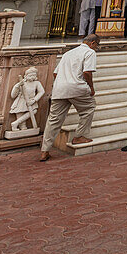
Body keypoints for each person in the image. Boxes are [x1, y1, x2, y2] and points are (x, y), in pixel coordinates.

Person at [40, 34, 100, 162]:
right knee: (88, 109)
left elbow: (55, 73)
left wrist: (64, 82)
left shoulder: (68, 53)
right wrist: (91, 88)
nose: (96, 48)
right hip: (77, 88)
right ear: (93, 43)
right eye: (96, 46)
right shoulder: (89, 52)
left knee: (53, 120)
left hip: (59, 89)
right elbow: (87, 72)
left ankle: (45, 150)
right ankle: (79, 136)